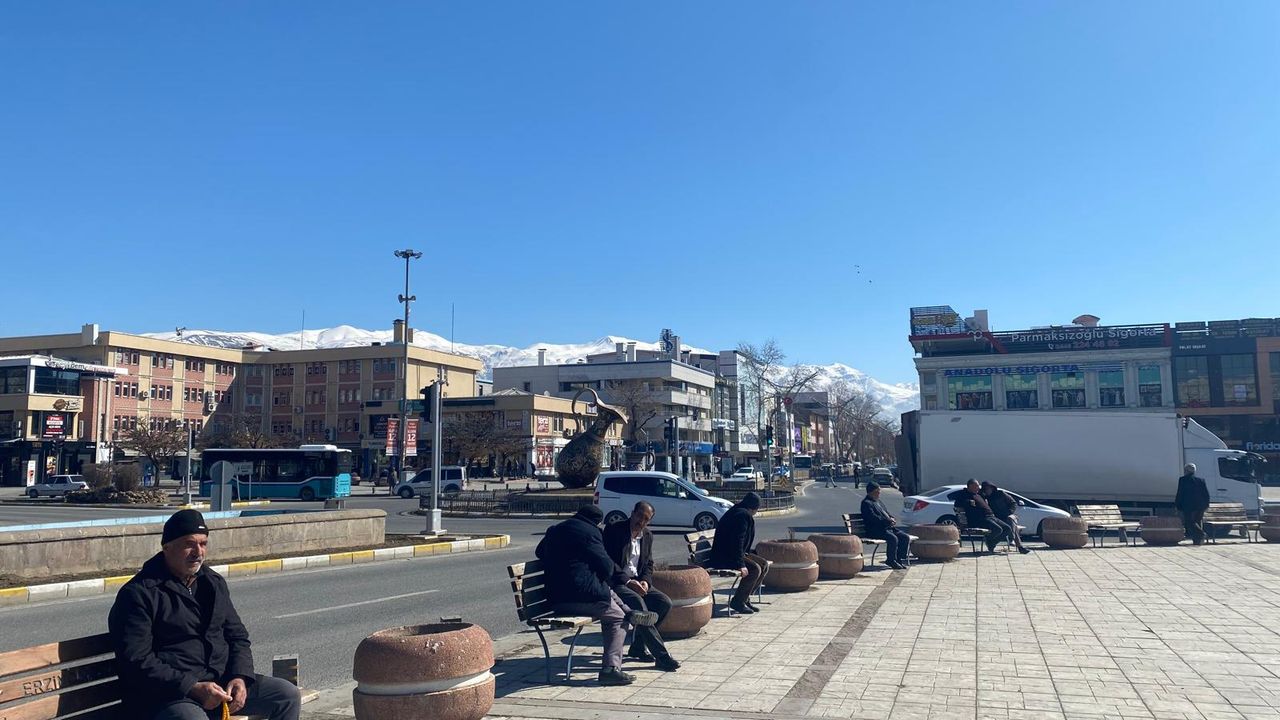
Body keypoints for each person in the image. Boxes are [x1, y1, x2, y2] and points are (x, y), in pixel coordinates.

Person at [108, 510, 300, 720]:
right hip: (168, 694)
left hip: (218, 684)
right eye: (189, 544)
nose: (198, 552)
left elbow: (237, 636)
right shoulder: (139, 593)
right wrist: (192, 686)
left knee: (286, 696)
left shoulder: (212, 583)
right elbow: (137, 659)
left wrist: (240, 676)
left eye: (203, 544)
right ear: (167, 547)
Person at [535, 505, 660, 686]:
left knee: (608, 592)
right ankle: (611, 668)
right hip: (578, 598)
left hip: (554, 596)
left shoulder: (555, 529)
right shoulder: (591, 533)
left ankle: (630, 611)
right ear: (597, 522)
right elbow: (607, 568)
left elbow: (539, 552)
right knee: (618, 618)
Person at [602, 502, 680, 671]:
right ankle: (662, 656)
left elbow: (648, 563)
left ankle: (638, 646)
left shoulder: (647, 535)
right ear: (632, 513)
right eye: (639, 516)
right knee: (639, 605)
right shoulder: (614, 530)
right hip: (618, 582)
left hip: (638, 581)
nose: (641, 521)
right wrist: (628, 581)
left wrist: (645, 580)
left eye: (646, 519)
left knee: (664, 603)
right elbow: (608, 562)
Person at [708, 492, 766, 614]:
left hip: (732, 553)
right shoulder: (741, 515)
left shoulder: (740, 511)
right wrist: (741, 564)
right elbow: (737, 541)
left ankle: (745, 598)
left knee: (763, 564)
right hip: (725, 557)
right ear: (754, 508)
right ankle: (738, 602)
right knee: (755, 569)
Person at [950, 479, 1014, 554]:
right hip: (979, 519)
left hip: (991, 516)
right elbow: (957, 503)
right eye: (976, 486)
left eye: (978, 486)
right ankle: (989, 542)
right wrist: (968, 502)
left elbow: (988, 494)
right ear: (970, 486)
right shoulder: (963, 494)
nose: (978, 488)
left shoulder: (979, 494)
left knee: (1007, 529)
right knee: (998, 529)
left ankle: (991, 543)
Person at [860, 482, 911, 569]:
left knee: (904, 537)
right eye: (877, 491)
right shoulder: (866, 503)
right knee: (893, 538)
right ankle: (891, 560)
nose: (879, 493)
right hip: (875, 530)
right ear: (871, 492)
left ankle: (899, 559)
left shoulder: (878, 501)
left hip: (886, 528)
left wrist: (891, 518)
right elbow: (873, 518)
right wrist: (887, 521)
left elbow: (886, 513)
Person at [981, 481, 1031, 554]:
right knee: (1013, 527)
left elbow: (1013, 503)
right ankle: (1020, 547)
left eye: (988, 489)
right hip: (998, 518)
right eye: (985, 489)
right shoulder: (986, 498)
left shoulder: (1001, 494)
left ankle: (1012, 539)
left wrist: (1010, 512)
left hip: (1009, 515)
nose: (987, 491)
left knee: (1010, 520)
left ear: (992, 488)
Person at [1175, 463, 1210, 545]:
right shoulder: (1201, 480)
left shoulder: (1182, 480)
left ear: (1186, 471)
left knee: (1189, 522)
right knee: (1197, 522)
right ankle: (1197, 541)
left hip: (1188, 506)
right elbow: (1206, 494)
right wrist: (1206, 504)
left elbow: (1180, 493)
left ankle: (1201, 534)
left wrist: (1177, 504)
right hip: (1200, 506)